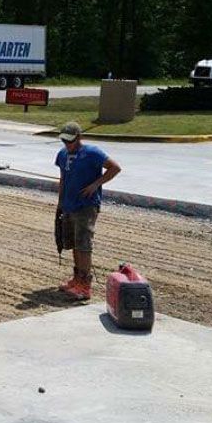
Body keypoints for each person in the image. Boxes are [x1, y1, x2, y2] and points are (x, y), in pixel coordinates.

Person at [54, 121, 121, 300]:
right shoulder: (62, 154)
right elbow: (63, 178)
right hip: (69, 204)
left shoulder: (92, 153)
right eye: (64, 141)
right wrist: (60, 201)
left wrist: (95, 184)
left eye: (70, 141)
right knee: (73, 243)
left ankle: (85, 286)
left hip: (86, 206)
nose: (67, 144)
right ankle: (77, 279)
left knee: (84, 244)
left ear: (79, 137)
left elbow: (115, 168)